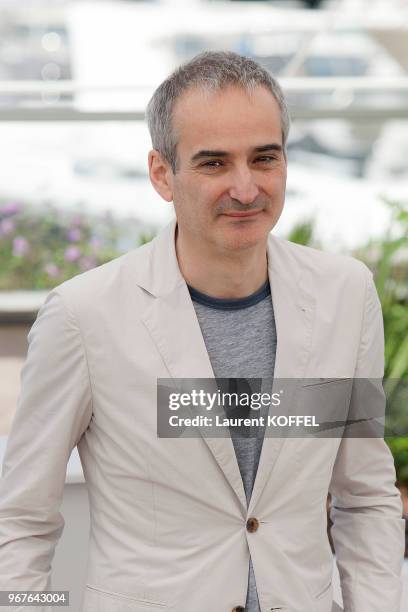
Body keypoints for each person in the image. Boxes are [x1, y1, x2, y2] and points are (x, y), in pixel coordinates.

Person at [0, 51, 405, 612]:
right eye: (214, 164)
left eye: (264, 158)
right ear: (162, 175)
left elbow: (364, 499)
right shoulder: (83, 316)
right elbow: (20, 519)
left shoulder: (344, 295)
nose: (246, 188)